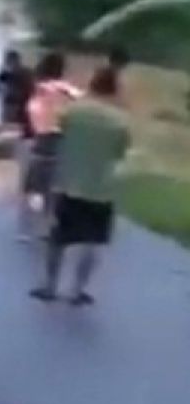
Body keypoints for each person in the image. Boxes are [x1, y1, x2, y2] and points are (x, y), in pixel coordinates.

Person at [31, 67, 131, 305]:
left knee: (59, 239)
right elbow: (120, 153)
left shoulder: (74, 112)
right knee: (93, 241)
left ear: (93, 83)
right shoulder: (120, 121)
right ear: (114, 89)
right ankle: (78, 290)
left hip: (70, 183)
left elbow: (58, 132)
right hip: (102, 188)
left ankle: (50, 286)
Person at [20, 52, 81, 240]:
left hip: (45, 137)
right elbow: (79, 96)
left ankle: (38, 225)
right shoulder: (54, 88)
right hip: (53, 136)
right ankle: (47, 224)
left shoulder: (44, 87)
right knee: (47, 183)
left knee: (37, 183)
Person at [0, 49, 35, 130]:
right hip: (11, 106)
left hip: (20, 107)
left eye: (10, 61)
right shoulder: (4, 75)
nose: (10, 65)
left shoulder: (25, 74)